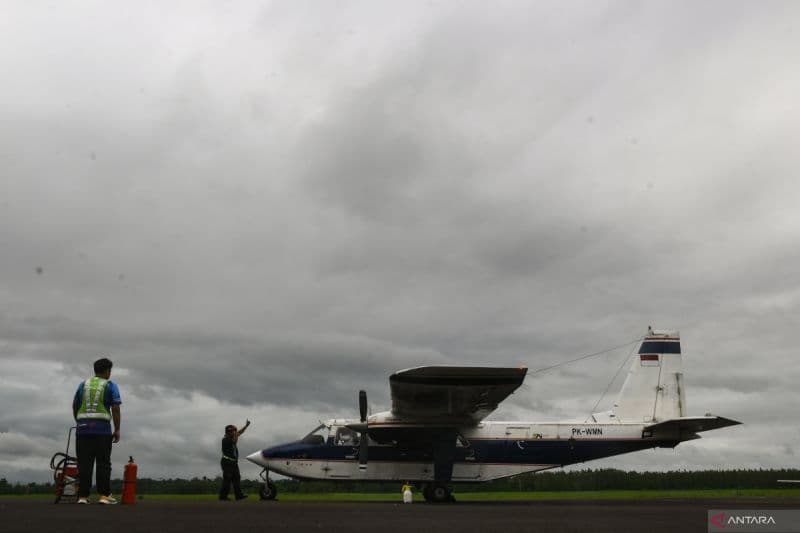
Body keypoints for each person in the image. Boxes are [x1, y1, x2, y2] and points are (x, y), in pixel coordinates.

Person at [72, 357, 122, 504]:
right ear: (107, 371)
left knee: (84, 463)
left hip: (82, 430)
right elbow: (116, 408)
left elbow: (75, 405)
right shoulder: (110, 385)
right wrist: (117, 429)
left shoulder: (83, 385)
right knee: (103, 463)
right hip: (102, 430)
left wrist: (79, 422)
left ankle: (83, 497)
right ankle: (104, 496)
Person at [219, 419, 250, 501]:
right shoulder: (225, 440)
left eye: (233, 431)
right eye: (231, 431)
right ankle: (223, 496)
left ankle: (238, 495)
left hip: (233, 462)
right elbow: (235, 440)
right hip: (227, 462)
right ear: (227, 432)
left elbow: (240, 432)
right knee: (227, 480)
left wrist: (246, 426)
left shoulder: (232, 437)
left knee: (237, 478)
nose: (233, 432)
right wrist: (236, 431)